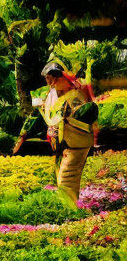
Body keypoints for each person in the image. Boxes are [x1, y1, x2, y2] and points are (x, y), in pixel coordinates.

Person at [13, 62, 98, 203]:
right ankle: (68, 208)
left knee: (67, 180)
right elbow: (38, 116)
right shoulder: (49, 95)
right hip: (60, 145)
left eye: (53, 79)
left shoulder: (76, 94)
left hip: (74, 144)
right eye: (48, 79)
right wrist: (24, 135)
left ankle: (69, 210)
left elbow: (87, 114)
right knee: (61, 179)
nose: (50, 83)